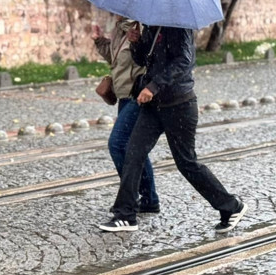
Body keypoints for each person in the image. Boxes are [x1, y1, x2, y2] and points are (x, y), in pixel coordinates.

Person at [99, 25, 246, 233]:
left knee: (186, 163)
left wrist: (153, 86)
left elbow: (184, 61)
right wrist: (136, 43)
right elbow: (143, 61)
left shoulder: (179, 27)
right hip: (153, 107)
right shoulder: (151, 26)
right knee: (133, 152)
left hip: (179, 105)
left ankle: (231, 206)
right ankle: (125, 215)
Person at [92, 17, 159, 213]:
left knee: (117, 144)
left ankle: (130, 196)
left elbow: (146, 59)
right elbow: (117, 62)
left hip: (137, 95)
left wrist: (138, 41)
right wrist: (99, 41)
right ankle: (149, 199)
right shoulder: (120, 28)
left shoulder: (140, 25)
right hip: (123, 95)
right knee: (134, 148)